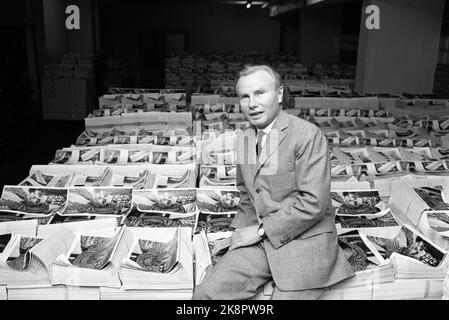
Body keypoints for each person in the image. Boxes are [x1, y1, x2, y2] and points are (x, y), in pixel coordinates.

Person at [193, 65, 354, 300]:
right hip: (261, 242)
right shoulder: (247, 138)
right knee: (205, 294)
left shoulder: (307, 135)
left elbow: (314, 203)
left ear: (279, 95)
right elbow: (249, 195)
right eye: (245, 96)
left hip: (304, 243)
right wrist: (237, 236)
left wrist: (259, 231)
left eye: (260, 93)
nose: (252, 103)